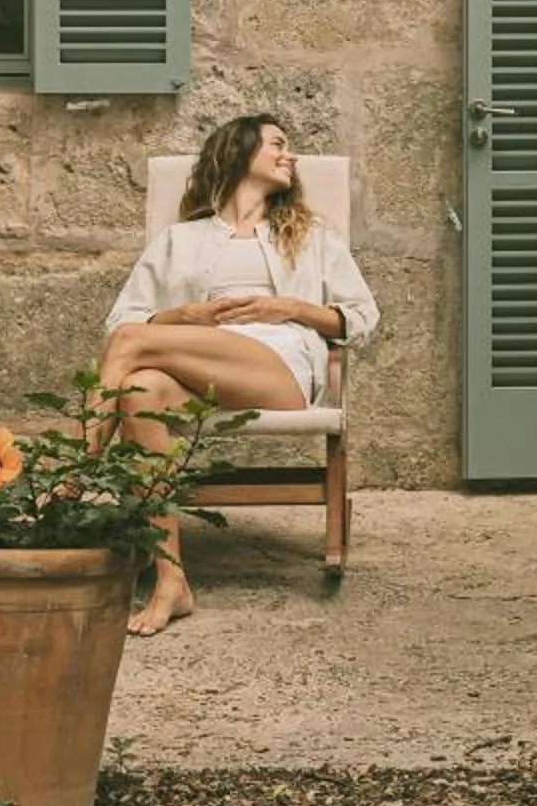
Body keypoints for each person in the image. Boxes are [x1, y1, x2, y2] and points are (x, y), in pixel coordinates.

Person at [99, 113, 378, 635]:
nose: (289, 155)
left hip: (279, 366)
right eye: (277, 143)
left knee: (131, 344)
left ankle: (71, 476)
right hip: (196, 364)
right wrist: (185, 316)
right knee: (136, 391)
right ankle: (171, 580)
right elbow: (123, 319)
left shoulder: (310, 236)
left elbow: (361, 317)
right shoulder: (179, 240)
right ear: (240, 153)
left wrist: (289, 308)